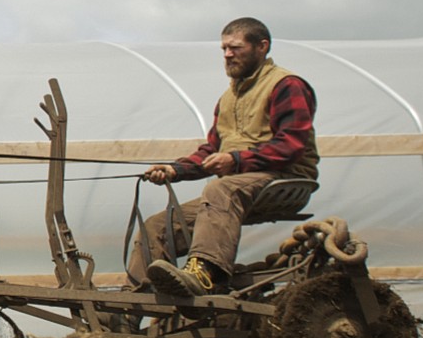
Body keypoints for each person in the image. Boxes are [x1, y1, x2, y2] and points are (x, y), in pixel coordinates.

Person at [126, 17, 318, 297]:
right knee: (157, 225)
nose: (227, 54)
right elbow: (211, 151)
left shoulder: (286, 85)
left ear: (262, 47)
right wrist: (174, 169)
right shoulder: (228, 98)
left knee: (219, 188)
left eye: (235, 47)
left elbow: (291, 144)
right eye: (224, 49)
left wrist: (236, 160)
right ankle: (135, 302)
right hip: (238, 185)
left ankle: (205, 274)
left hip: (286, 177)